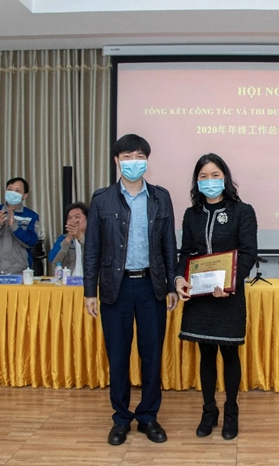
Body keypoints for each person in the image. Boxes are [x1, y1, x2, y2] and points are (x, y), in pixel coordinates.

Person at [83, 134, 179, 446]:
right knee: (118, 356)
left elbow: (169, 245)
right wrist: (89, 291)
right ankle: (121, 418)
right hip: (116, 288)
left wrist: (172, 284)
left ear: (147, 161)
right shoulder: (102, 199)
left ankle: (148, 416)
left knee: (152, 355)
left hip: (152, 286)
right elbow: (92, 249)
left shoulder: (160, 197)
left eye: (139, 156)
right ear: (117, 161)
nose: (133, 162)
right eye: (127, 156)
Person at [174, 153, 258, 441]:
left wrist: (229, 283)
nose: (209, 181)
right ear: (196, 182)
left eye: (215, 175)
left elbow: (248, 253)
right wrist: (180, 278)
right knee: (206, 354)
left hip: (228, 296)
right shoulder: (191, 214)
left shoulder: (242, 211)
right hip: (200, 296)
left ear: (225, 178)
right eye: (203, 176)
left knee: (230, 353)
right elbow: (186, 253)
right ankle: (208, 411)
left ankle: (231, 411)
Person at [0, 177, 40, 275]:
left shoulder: (31, 216)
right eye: (10, 189)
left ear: (24, 195)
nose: (12, 193)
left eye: (17, 191)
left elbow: (32, 242)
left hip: (20, 271)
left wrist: (14, 227)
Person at [49, 202, 89, 276]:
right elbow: (53, 259)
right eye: (69, 218)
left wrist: (81, 237)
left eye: (77, 217)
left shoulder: (95, 238)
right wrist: (69, 238)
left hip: (90, 281)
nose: (73, 221)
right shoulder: (63, 238)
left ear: (87, 219)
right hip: (68, 281)